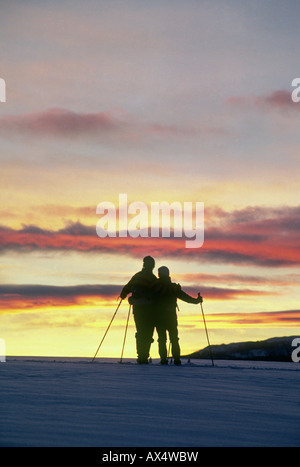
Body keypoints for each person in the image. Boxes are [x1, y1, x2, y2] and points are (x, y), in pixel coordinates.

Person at [155, 266, 202, 365]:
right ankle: (177, 360)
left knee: (162, 339)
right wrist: (197, 301)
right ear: (168, 274)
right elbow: (186, 298)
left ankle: (163, 360)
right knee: (174, 339)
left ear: (159, 274)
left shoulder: (154, 287)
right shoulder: (174, 288)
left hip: (158, 317)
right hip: (171, 316)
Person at [120, 256, 157, 364]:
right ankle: (143, 355)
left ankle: (141, 356)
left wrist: (123, 295)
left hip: (138, 308)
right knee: (148, 332)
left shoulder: (137, 276)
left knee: (141, 332)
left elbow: (127, 287)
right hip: (150, 309)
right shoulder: (154, 279)